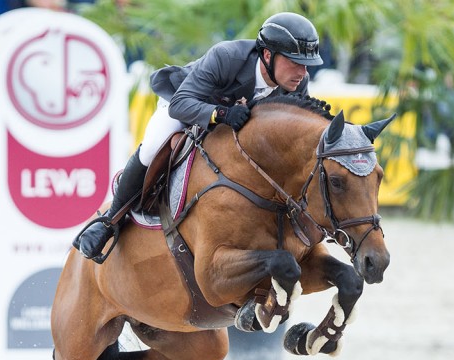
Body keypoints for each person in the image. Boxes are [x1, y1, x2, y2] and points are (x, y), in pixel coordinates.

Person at [75, 11, 322, 262]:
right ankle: (109, 221)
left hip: (229, 128)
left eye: (306, 65)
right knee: (153, 145)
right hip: (187, 105)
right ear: (268, 55)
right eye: (295, 62)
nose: (302, 71)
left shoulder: (296, 83)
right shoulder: (227, 56)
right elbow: (180, 104)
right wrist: (221, 113)